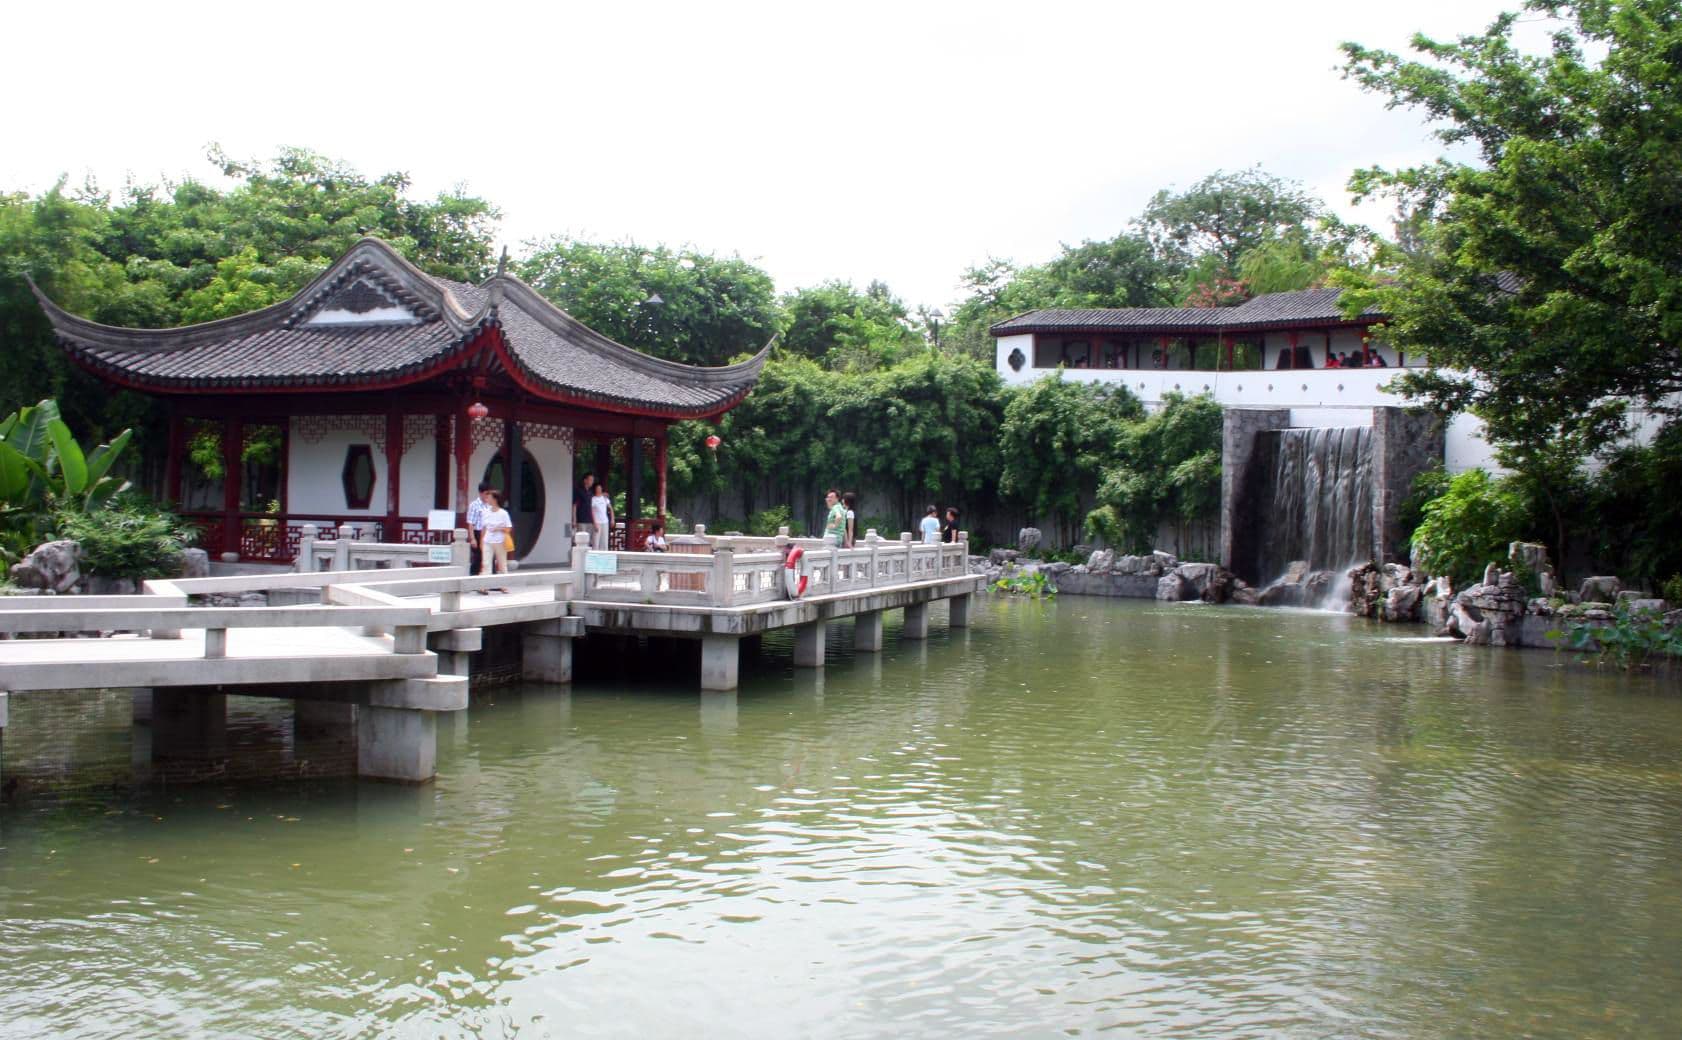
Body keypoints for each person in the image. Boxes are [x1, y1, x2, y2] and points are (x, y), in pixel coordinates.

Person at [480, 489, 512, 593]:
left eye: (489, 497)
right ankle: (484, 586)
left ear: (495, 499)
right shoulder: (485, 512)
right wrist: (482, 540)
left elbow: (508, 528)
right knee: (486, 564)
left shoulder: (503, 513)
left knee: (502, 564)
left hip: (500, 541)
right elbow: (484, 528)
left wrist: (498, 528)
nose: (487, 499)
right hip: (488, 541)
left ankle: (504, 585)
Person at [465, 482, 493, 576]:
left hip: (488, 533)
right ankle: (473, 577)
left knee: (490, 556)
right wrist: (472, 538)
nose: (488, 495)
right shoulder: (474, 505)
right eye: (486, 493)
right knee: (478, 557)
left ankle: (491, 580)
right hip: (477, 533)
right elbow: (471, 523)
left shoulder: (489, 505)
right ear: (481, 493)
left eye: (489, 493)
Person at [574, 471, 595, 546]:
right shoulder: (579, 491)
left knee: (589, 541)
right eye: (590, 480)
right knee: (581, 540)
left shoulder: (591, 493)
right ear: (585, 480)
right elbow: (575, 505)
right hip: (581, 519)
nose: (592, 482)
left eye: (592, 480)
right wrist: (574, 519)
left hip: (590, 520)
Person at [590, 482, 613, 550]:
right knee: (596, 541)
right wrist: (595, 523)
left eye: (600, 488)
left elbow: (611, 509)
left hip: (605, 522)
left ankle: (604, 556)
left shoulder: (605, 498)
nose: (599, 490)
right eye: (597, 488)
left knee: (604, 541)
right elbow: (592, 512)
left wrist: (612, 519)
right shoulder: (593, 499)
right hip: (597, 522)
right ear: (595, 489)